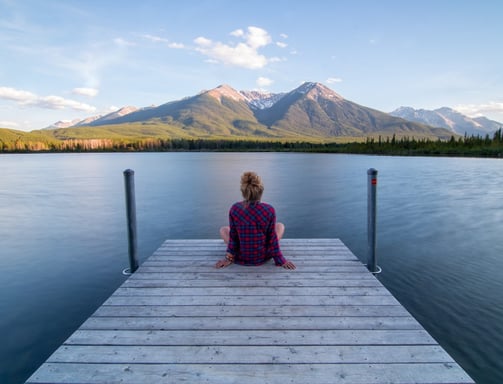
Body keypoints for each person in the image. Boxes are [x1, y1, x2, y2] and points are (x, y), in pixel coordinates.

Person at [215, 171, 296, 270]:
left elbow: (233, 238)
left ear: (243, 192)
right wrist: (280, 260)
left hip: (241, 255)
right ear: (261, 191)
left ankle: (238, 252)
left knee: (224, 229)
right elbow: (272, 239)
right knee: (280, 226)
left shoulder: (235, 209)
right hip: (262, 256)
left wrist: (229, 258)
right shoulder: (269, 210)